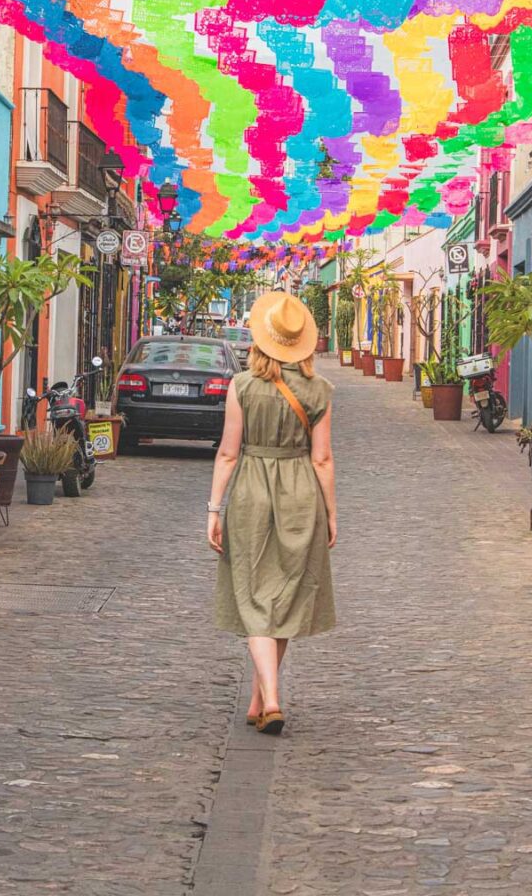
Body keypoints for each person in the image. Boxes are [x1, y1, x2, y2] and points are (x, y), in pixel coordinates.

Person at [208, 291, 337, 735]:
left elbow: (228, 453)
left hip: (251, 494)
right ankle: (263, 698)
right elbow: (322, 459)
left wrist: (213, 508)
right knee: (283, 596)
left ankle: (268, 697)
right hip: (301, 492)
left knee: (254, 596)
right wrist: (332, 514)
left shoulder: (242, 386)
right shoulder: (319, 390)